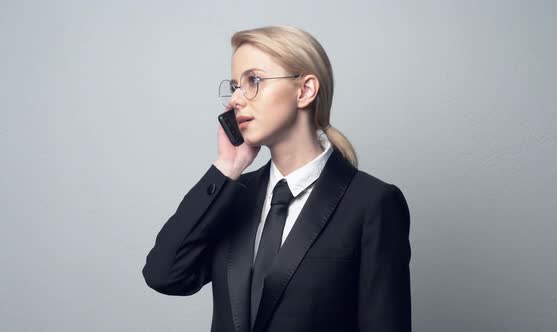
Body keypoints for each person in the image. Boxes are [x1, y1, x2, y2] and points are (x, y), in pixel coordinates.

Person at [142, 25, 411, 332]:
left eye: (253, 81)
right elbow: (165, 274)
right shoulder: (234, 195)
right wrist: (227, 167)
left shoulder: (372, 203)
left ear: (305, 90)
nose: (235, 101)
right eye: (234, 87)